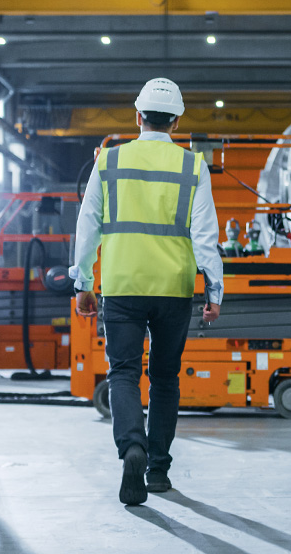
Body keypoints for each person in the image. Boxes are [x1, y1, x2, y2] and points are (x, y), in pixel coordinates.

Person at [69, 77, 224, 506]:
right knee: (165, 378)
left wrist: (83, 282)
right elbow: (205, 235)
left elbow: (88, 225)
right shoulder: (193, 166)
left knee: (123, 372)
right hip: (173, 288)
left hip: (121, 284)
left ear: (138, 117)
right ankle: (156, 468)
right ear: (176, 121)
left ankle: (131, 446)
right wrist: (214, 291)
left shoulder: (108, 161)